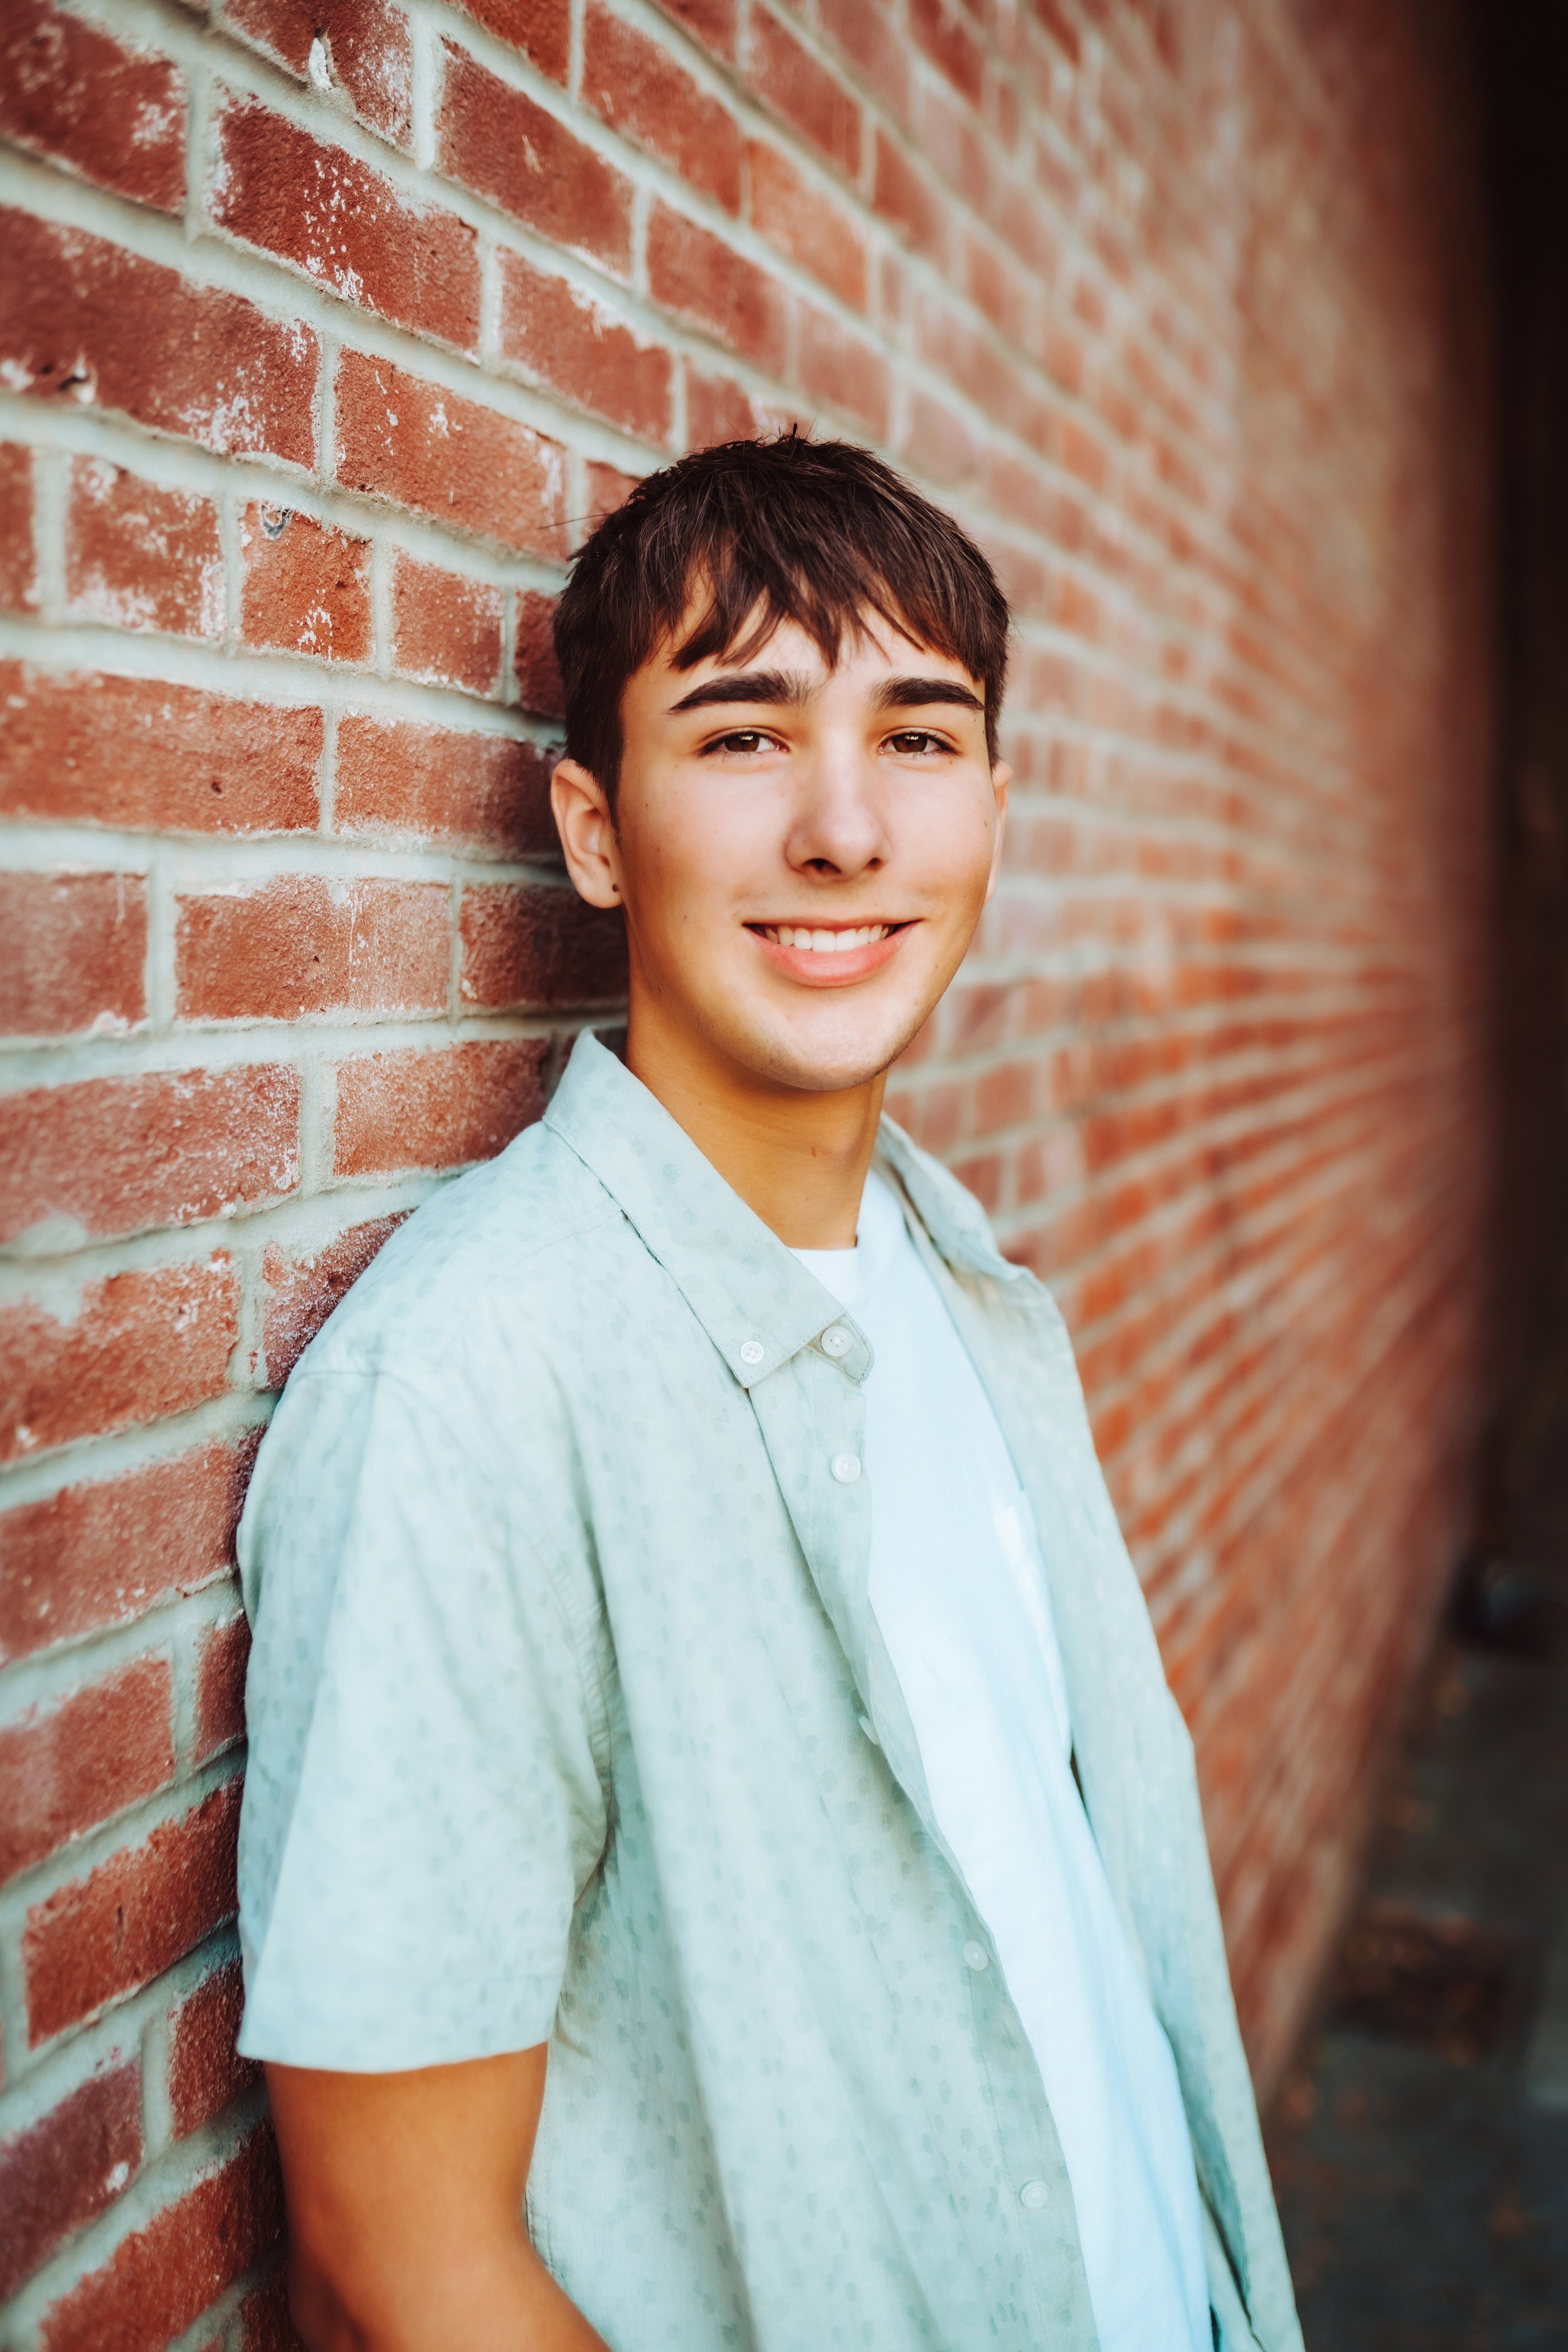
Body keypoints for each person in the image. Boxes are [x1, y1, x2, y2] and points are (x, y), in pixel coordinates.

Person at [236, 433, 1303, 2352]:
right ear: (590, 830)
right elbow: (399, 2275)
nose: (843, 829)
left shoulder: (973, 1293)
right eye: (741, 737)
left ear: (993, 800)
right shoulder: (478, 1380)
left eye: (916, 735)